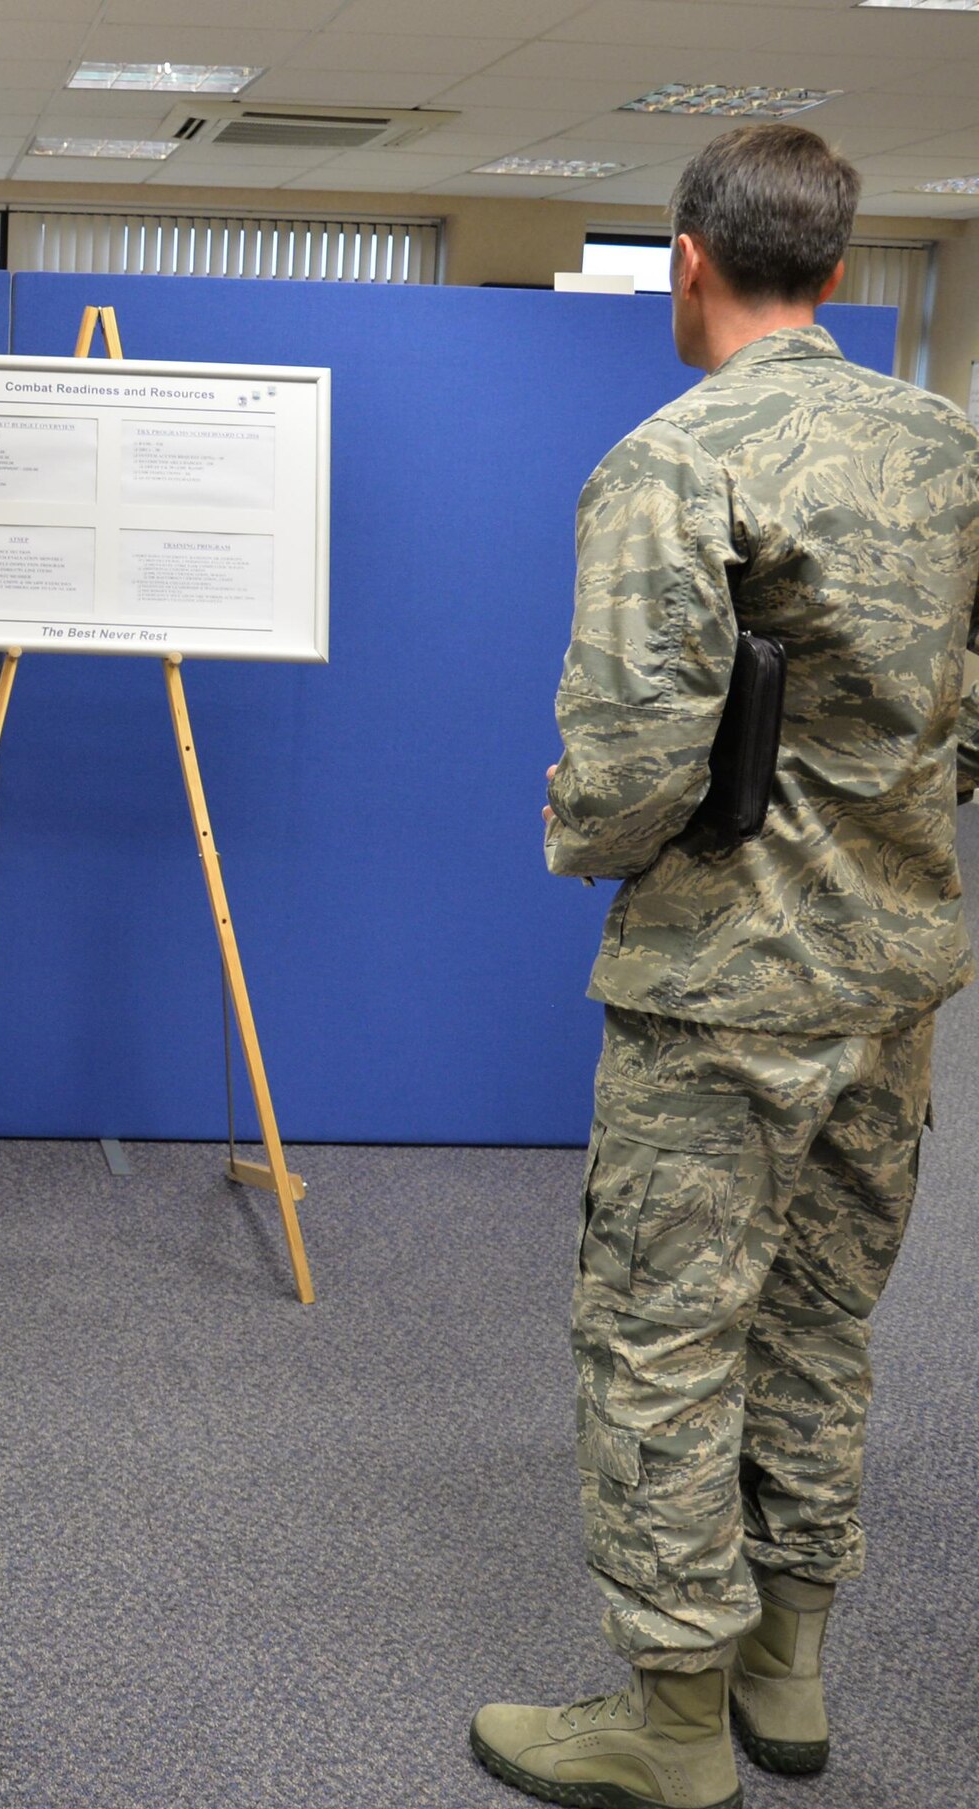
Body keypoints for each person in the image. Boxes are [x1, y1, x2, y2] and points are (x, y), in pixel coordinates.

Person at [470, 124, 979, 1809]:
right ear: (837, 271)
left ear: (690, 260)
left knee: (664, 1331)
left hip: (721, 991)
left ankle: (676, 1719)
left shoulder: (673, 461)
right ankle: (792, 1665)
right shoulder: (949, 447)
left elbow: (625, 767)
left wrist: (584, 827)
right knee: (825, 1320)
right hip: (893, 980)